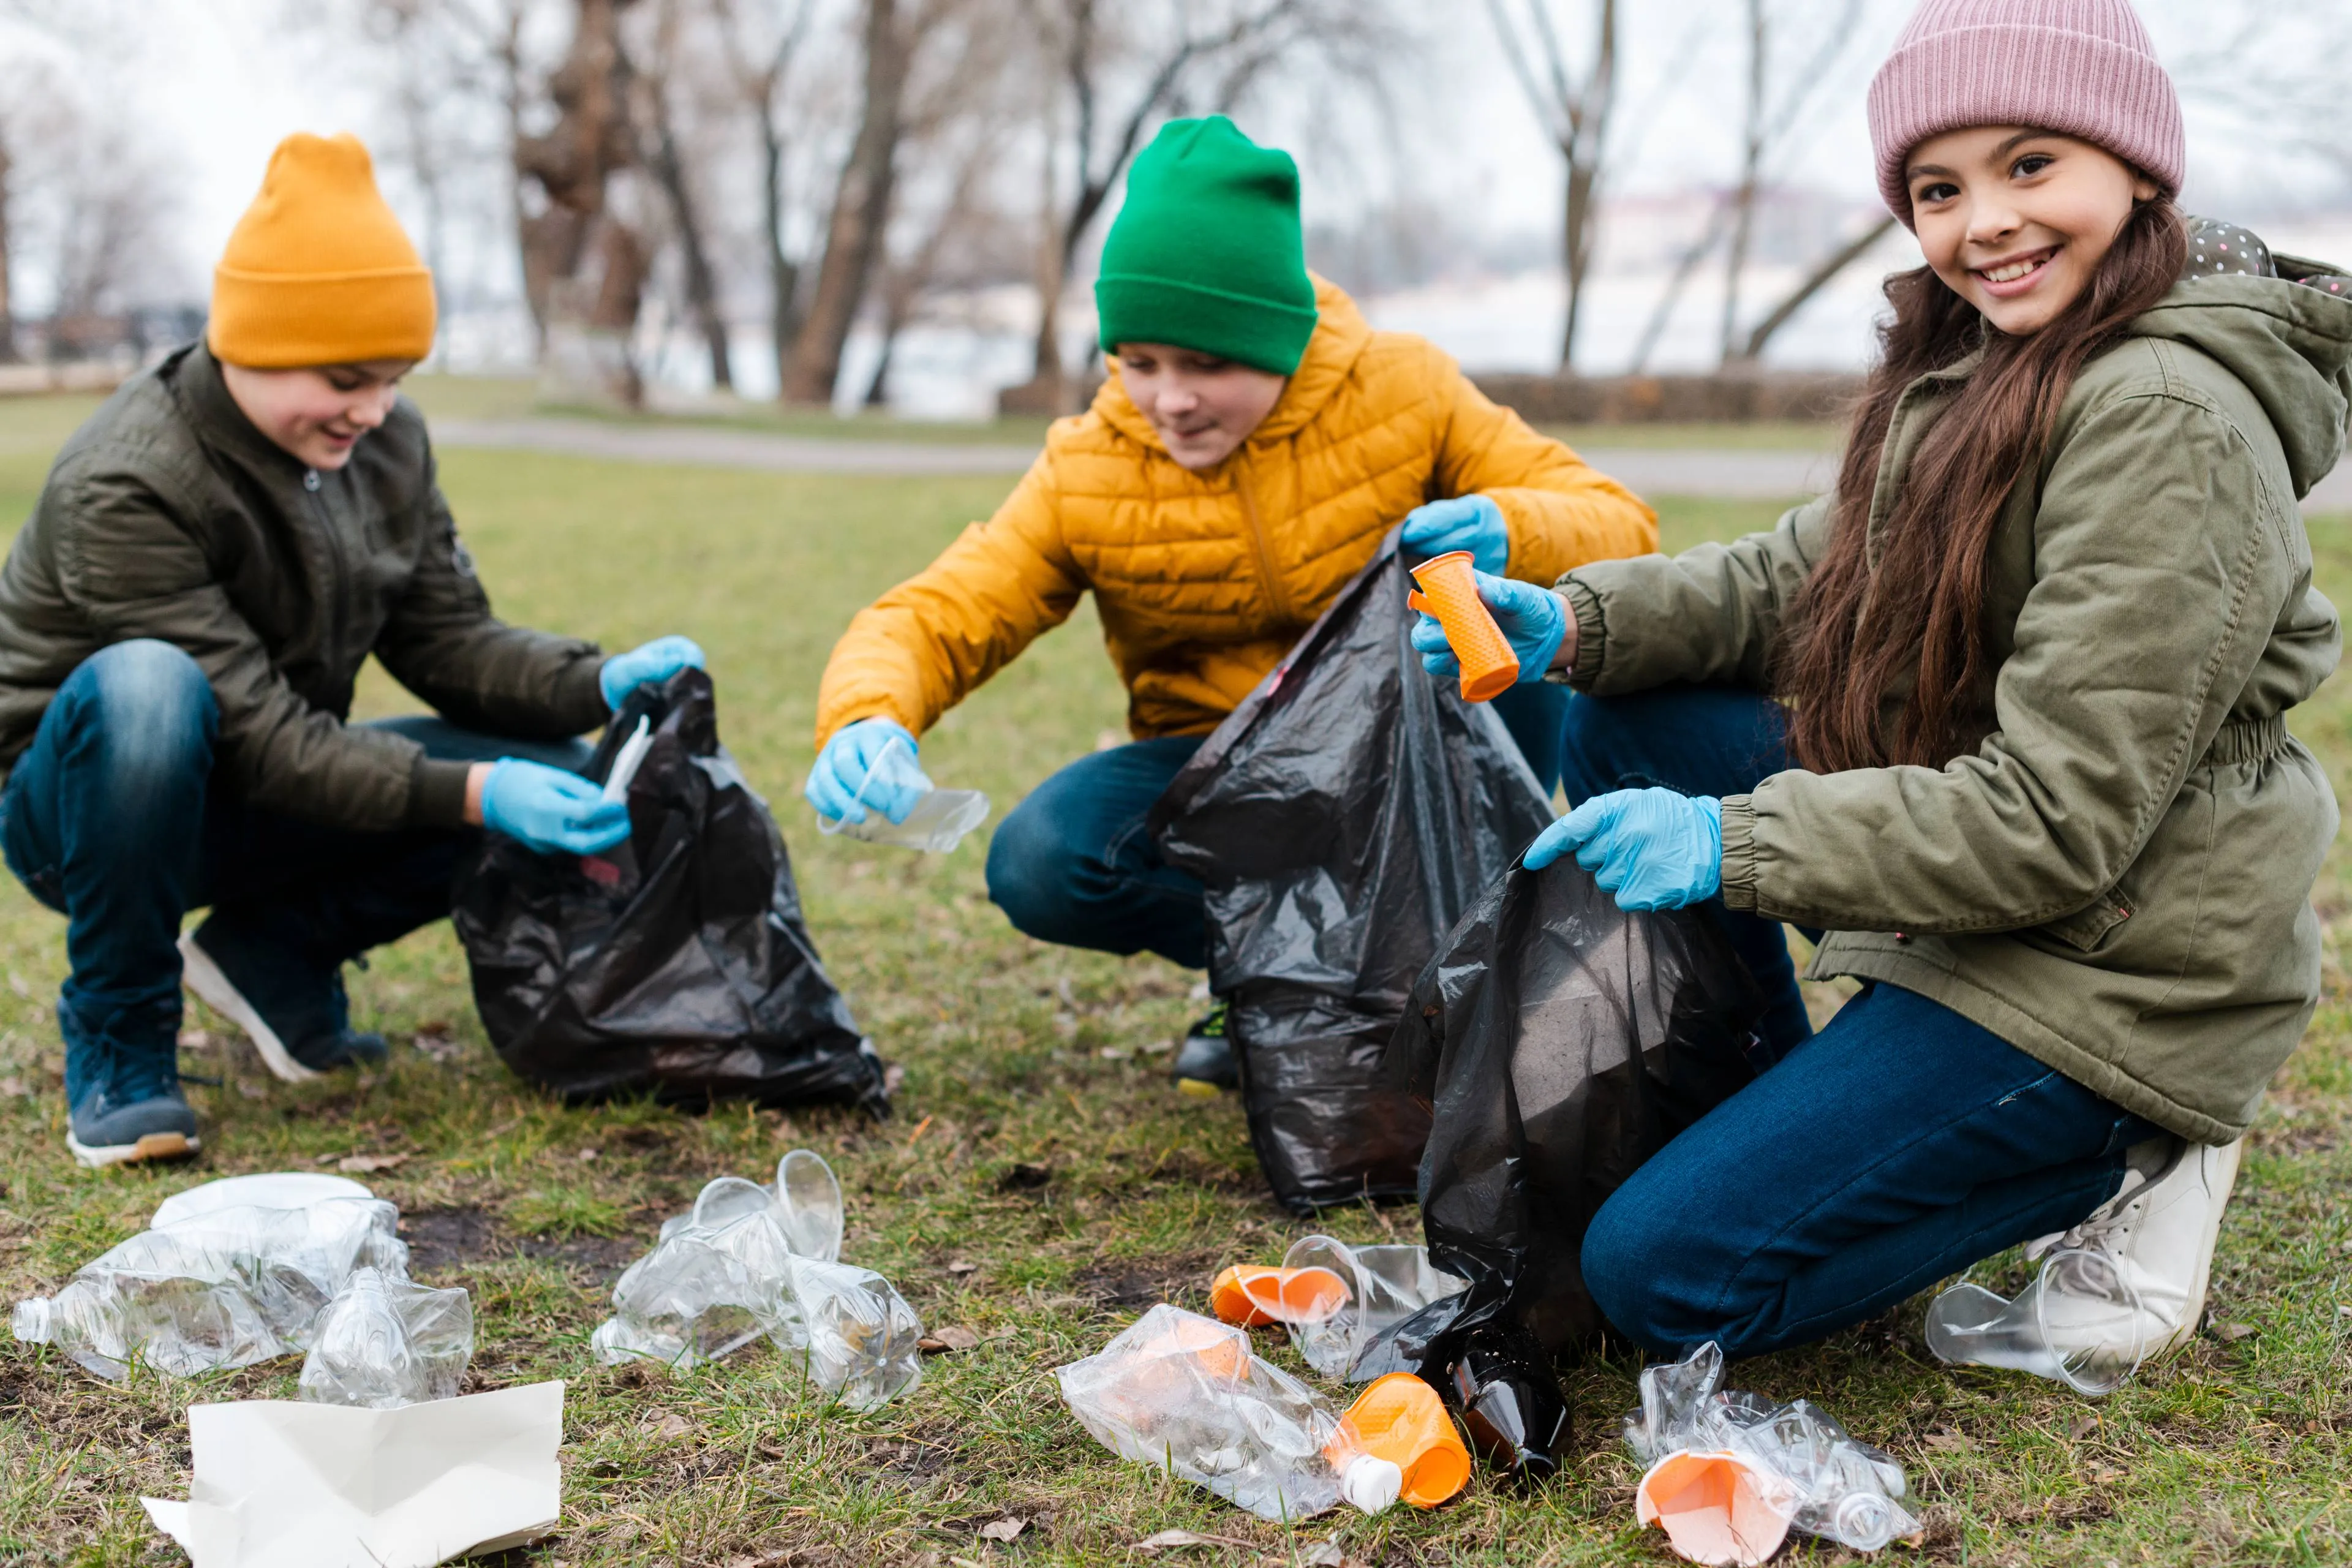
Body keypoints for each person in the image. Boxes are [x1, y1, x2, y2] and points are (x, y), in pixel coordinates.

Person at [1415, 0, 2346, 1366]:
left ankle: (2135, 1145)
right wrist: (1570, 623)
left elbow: (2057, 819)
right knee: (1639, 719)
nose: (1986, 223)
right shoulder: (1990, 358)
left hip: (2117, 957)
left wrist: (1730, 841)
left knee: (1661, 1280)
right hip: (1985, 885)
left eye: (2031, 164)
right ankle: (1801, 1112)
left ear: (2137, 164)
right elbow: (1800, 578)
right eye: (1939, 188)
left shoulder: (2167, 418)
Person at [806, 116, 1657, 1091]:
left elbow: (1619, 523)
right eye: (1140, 362)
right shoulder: (1088, 465)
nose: (1169, 399)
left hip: (1420, 755)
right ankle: (1280, 980)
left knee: (1516, 619)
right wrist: (868, 716)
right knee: (1042, 857)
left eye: (1207, 364)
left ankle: (1461, 960)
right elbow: (948, 606)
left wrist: (1512, 526)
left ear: (1278, 338)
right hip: (1234, 780)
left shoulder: (1406, 391)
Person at [0, 133, 706, 1167]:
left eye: (394, 379)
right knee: (150, 689)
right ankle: (120, 1035)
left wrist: (593, 681)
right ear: (251, 343)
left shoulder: (385, 441)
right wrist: (476, 794)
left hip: (267, 780)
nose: (373, 411)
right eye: (346, 379)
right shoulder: (128, 480)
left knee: (558, 768)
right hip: (86, 813)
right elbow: (256, 732)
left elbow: (446, 637)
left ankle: (273, 959)